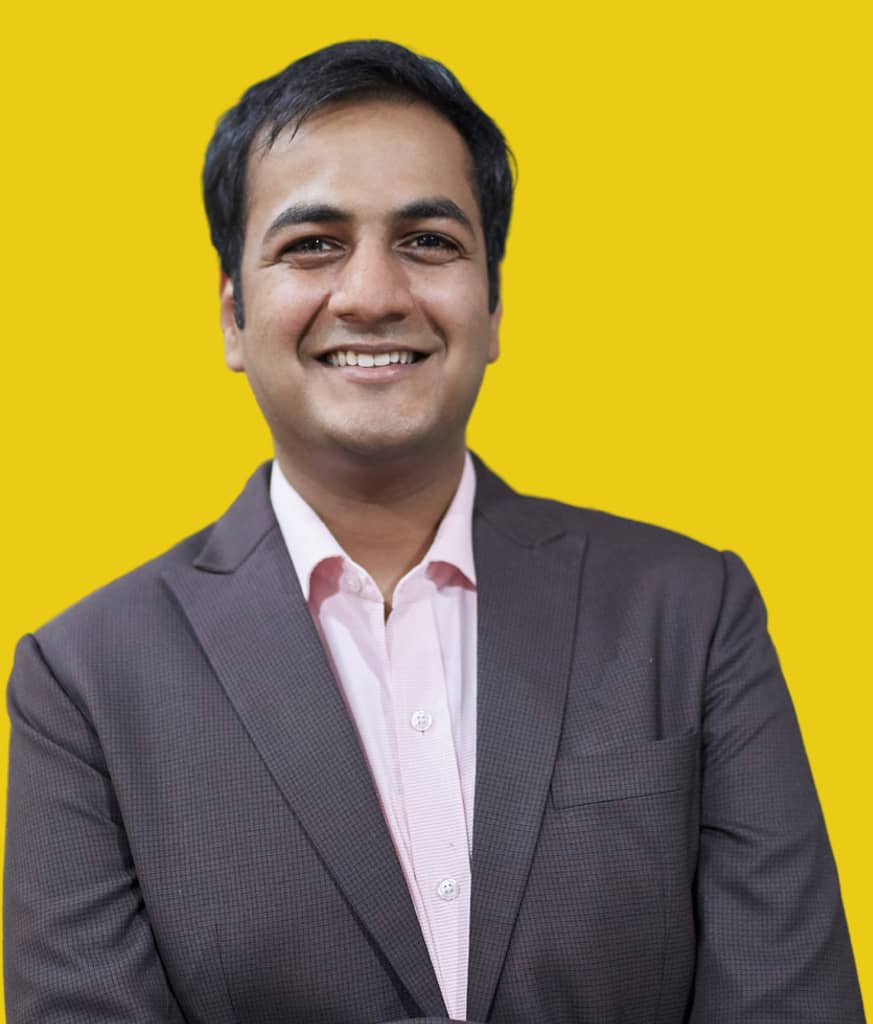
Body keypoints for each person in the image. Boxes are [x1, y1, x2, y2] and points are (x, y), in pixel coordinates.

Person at [3, 39, 864, 1024]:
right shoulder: (86, 682)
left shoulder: (690, 614)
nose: (372, 294)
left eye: (427, 242)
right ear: (233, 314)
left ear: (492, 305)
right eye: (312, 244)